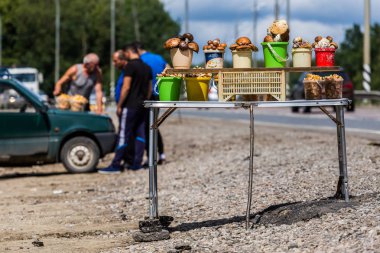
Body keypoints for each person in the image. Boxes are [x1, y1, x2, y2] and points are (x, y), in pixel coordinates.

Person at [99, 44, 152, 174]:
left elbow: (126, 87)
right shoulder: (147, 67)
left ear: (129, 52)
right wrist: (144, 100)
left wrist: (120, 105)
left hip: (130, 105)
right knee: (141, 134)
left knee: (123, 134)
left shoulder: (130, 66)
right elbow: (150, 89)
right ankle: (136, 163)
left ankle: (116, 164)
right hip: (142, 105)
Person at [134, 41, 168, 165]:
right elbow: (169, 68)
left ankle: (150, 156)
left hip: (146, 97)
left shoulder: (140, 60)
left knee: (147, 127)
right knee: (154, 125)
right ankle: (162, 154)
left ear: (136, 50)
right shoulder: (158, 57)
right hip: (159, 95)